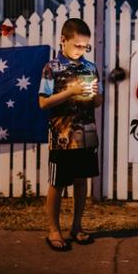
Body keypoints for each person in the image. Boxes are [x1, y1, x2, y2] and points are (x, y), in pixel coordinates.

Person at [38, 18, 102, 251]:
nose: (81, 50)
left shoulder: (90, 67)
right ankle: (53, 229)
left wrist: (94, 94)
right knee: (57, 183)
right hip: (61, 137)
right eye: (77, 46)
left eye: (86, 46)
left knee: (81, 180)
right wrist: (71, 91)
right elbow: (43, 103)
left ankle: (76, 226)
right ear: (63, 41)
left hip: (87, 134)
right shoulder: (51, 68)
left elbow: (98, 102)